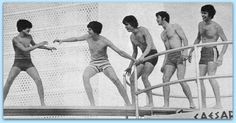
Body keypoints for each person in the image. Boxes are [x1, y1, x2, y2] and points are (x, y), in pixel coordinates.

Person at [54, 21, 135, 106]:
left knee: (116, 80)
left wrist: (133, 59)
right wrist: (62, 40)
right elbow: (76, 38)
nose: (88, 31)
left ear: (95, 30)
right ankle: (92, 104)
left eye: (90, 30)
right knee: (85, 76)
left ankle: (128, 103)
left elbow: (120, 52)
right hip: (93, 64)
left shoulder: (104, 41)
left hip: (104, 64)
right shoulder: (88, 37)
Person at [4, 19, 56, 106]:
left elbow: (34, 45)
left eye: (29, 28)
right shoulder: (15, 39)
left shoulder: (29, 37)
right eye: (27, 28)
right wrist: (39, 44)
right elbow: (25, 50)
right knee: (9, 80)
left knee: (38, 80)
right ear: (21, 28)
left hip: (28, 63)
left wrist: (48, 48)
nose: (29, 29)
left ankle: (43, 104)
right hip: (18, 63)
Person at [189, 4, 228, 109]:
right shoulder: (200, 24)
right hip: (203, 51)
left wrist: (221, 56)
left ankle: (218, 103)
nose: (202, 15)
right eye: (202, 12)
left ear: (210, 14)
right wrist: (191, 51)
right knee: (199, 79)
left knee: (211, 76)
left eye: (205, 13)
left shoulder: (216, 26)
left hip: (212, 51)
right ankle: (203, 105)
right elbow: (198, 39)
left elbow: (226, 41)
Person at [155, 11, 195, 108]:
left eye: (158, 17)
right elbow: (167, 50)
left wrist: (185, 53)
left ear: (164, 18)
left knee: (180, 79)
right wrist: (164, 64)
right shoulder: (162, 34)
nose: (156, 20)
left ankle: (191, 103)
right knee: (165, 79)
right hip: (170, 57)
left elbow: (184, 39)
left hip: (179, 54)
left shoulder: (175, 26)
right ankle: (166, 104)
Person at [122, 15, 158, 107]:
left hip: (152, 54)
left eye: (126, 24)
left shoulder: (143, 30)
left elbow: (149, 45)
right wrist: (130, 66)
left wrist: (142, 56)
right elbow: (134, 52)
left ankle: (150, 103)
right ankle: (134, 104)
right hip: (143, 56)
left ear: (132, 23)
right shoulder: (131, 37)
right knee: (132, 79)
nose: (125, 27)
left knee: (144, 77)